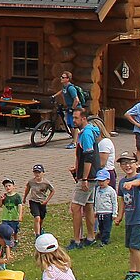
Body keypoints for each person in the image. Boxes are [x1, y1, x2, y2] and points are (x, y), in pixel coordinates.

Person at [115, 151, 140, 280]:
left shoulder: (139, 178)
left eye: (130, 163)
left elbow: (139, 183)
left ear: (136, 164)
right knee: (130, 247)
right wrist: (119, 216)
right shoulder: (122, 181)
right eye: (124, 163)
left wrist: (131, 184)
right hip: (130, 220)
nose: (127, 166)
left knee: (136, 247)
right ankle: (132, 271)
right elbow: (122, 200)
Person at [69, 107, 100, 250]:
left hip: (87, 177)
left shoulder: (86, 134)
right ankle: (90, 236)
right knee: (88, 206)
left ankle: (77, 240)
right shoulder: (88, 131)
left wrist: (84, 178)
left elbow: (89, 156)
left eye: (76, 118)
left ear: (83, 118)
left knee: (75, 207)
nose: (73, 120)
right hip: (91, 175)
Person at [23, 164, 54, 237]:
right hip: (33, 201)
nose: (37, 174)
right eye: (35, 172)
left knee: (41, 217)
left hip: (42, 202)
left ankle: (40, 229)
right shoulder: (31, 181)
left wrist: (47, 201)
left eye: (39, 172)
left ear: (43, 173)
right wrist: (24, 197)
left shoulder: (46, 183)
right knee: (37, 217)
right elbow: (27, 188)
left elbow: (52, 191)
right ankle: (37, 235)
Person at [54, 71, 82, 148]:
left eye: (63, 77)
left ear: (68, 79)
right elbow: (62, 91)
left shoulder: (71, 88)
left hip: (75, 108)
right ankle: (75, 139)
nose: (61, 78)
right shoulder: (64, 87)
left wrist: (72, 108)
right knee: (69, 124)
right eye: (61, 77)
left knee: (74, 125)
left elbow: (76, 100)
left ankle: (74, 142)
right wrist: (54, 96)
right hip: (69, 108)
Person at [92, 170, 117, 246]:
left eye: (103, 181)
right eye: (99, 181)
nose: (101, 183)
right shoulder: (97, 190)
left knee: (107, 227)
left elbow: (114, 202)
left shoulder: (111, 191)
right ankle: (102, 237)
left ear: (108, 181)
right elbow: (96, 200)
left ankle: (105, 241)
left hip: (108, 212)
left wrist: (114, 213)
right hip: (100, 212)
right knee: (101, 226)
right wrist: (96, 211)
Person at [0, 178, 22, 245]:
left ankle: (16, 240)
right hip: (5, 217)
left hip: (14, 217)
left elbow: (20, 206)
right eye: (6, 186)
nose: (8, 187)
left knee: (15, 230)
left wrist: (20, 216)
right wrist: (1, 200)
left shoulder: (17, 196)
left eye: (9, 185)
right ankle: (7, 241)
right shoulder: (4, 196)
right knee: (6, 230)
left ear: (13, 186)